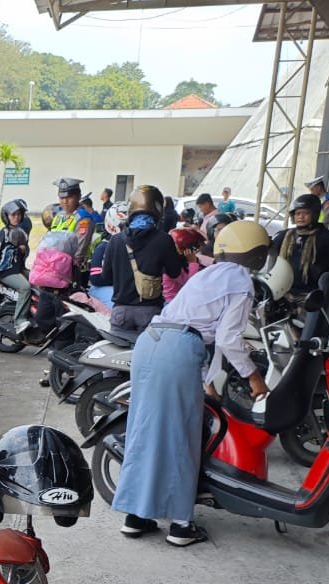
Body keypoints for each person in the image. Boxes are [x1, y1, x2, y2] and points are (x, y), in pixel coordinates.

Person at [112, 220, 271, 548]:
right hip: (179, 351)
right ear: (258, 253)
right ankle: (181, 526)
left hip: (150, 344)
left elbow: (198, 327)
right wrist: (255, 378)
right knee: (182, 435)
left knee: (145, 431)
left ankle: (136, 516)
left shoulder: (209, 274)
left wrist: (207, 382)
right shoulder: (241, 280)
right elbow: (226, 338)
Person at [100, 185, 185, 336]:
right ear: (158, 209)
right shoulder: (164, 240)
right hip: (150, 312)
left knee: (118, 357)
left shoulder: (116, 240)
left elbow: (105, 277)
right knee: (145, 358)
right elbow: (174, 272)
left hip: (120, 313)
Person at [270, 193, 329, 296]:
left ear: (315, 215)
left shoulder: (326, 236)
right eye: (298, 213)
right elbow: (270, 250)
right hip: (283, 290)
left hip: (312, 292)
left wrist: (317, 268)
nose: (301, 217)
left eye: (306, 213)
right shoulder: (285, 235)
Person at [0, 199, 31, 321]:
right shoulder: (2, 234)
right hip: (5, 272)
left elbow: (22, 254)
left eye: (19, 214)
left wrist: (22, 251)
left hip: (17, 270)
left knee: (38, 281)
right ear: (6, 216)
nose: (16, 217)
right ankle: (19, 320)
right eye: (13, 215)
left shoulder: (21, 232)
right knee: (25, 288)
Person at [49, 177, 96, 278]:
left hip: (75, 269)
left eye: (69, 197)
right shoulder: (59, 216)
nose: (65, 201)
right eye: (62, 198)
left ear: (78, 197)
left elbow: (80, 250)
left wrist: (64, 268)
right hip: (55, 267)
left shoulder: (83, 218)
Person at [163, 227, 205, 303]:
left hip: (182, 300)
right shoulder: (171, 265)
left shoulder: (182, 260)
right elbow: (190, 284)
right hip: (173, 303)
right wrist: (193, 262)